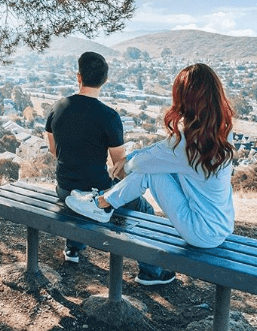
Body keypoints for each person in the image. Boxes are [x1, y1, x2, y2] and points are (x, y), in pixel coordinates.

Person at [65, 63, 235, 250]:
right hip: (221, 225)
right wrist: (129, 159)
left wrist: (125, 166)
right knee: (152, 167)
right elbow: (159, 150)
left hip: (200, 232)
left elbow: (145, 163)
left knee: (150, 172)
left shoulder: (187, 144)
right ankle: (104, 201)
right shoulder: (222, 130)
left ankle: (102, 204)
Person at [45, 51, 175, 285]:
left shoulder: (57, 107)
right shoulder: (109, 116)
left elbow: (53, 150)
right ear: (104, 80)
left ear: (79, 77)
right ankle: (151, 272)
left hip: (64, 189)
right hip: (97, 195)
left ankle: (73, 249)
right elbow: (119, 167)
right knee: (144, 209)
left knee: (76, 193)